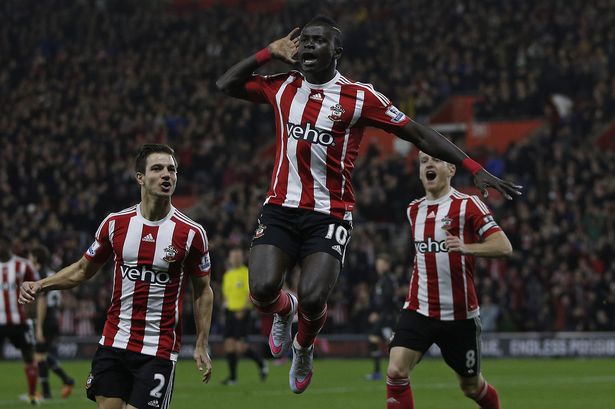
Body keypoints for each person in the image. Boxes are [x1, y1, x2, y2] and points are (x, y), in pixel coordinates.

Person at [216, 15, 521, 394]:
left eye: (318, 41)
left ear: (336, 51)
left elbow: (417, 132)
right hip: (280, 206)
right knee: (261, 289)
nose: (308, 45)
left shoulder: (360, 97)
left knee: (314, 296)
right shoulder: (283, 87)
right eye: (303, 40)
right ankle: (284, 310)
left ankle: (304, 347)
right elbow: (225, 84)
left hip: (331, 212)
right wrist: (267, 53)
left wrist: (472, 167)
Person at [19, 144, 214, 409]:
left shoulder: (191, 233)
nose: (166, 174)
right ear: (140, 178)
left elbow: (203, 290)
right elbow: (81, 270)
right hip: (114, 342)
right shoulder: (115, 224)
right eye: (157, 169)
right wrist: (41, 284)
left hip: (158, 350)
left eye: (172, 169)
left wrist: (201, 342)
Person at [386, 151, 513, 409]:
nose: (428, 165)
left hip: (460, 316)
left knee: (471, 387)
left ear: (451, 170)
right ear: (420, 173)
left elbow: (504, 246)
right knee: (396, 370)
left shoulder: (468, 204)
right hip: (419, 309)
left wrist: (468, 248)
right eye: (423, 162)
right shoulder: (413, 210)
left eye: (436, 160)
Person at [28, 245, 75, 400]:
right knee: (42, 355)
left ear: (36, 258)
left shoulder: (40, 274)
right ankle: (64, 382)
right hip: (54, 316)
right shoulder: (51, 273)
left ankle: (50, 390)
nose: (29, 259)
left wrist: (39, 328)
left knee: (39, 356)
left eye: (30, 256)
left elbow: (42, 301)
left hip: (47, 318)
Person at [0, 234, 40, 405]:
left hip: (19, 321)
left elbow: (35, 288)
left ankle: (32, 395)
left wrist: (32, 314)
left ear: (8, 245)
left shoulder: (23, 265)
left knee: (28, 356)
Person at [221, 246, 268, 385]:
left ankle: (261, 363)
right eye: (233, 256)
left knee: (240, 347)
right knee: (229, 345)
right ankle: (233, 378)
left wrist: (243, 309)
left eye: (238, 256)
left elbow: (250, 294)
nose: (235, 258)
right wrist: (226, 310)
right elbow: (225, 294)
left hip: (243, 313)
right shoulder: (227, 275)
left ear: (242, 258)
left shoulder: (246, 273)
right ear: (229, 258)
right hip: (230, 312)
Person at [365, 253, 398, 381]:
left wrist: (378, 313)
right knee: (375, 340)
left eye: (381, 264)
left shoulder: (387, 279)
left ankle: (397, 369)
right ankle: (378, 373)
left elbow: (388, 298)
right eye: (377, 264)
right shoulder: (384, 279)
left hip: (387, 316)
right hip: (385, 315)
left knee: (391, 344)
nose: (378, 267)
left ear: (387, 265)